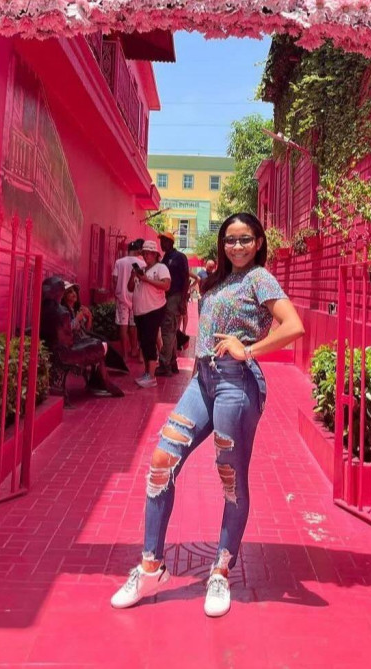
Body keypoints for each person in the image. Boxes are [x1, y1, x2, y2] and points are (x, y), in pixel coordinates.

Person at [110, 213, 305, 617]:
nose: (237, 246)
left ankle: (220, 570)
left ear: (258, 242)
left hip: (237, 384)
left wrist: (248, 349)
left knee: (230, 478)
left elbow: (293, 326)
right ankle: (150, 568)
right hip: (203, 382)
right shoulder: (217, 280)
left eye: (245, 239)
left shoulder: (259, 278)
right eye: (230, 239)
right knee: (162, 462)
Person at [39, 276, 123, 398]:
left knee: (100, 343)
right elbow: (68, 332)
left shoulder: (49, 309)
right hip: (63, 351)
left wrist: (89, 318)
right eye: (69, 292)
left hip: (58, 346)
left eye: (74, 291)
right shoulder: (63, 312)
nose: (73, 294)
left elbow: (84, 330)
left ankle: (98, 382)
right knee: (99, 346)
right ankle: (102, 383)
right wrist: (78, 319)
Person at [130, 240, 171, 389]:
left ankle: (152, 376)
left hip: (153, 310)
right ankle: (147, 372)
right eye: (144, 253)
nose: (146, 256)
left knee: (149, 341)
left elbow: (166, 285)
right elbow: (130, 288)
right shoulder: (141, 269)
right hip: (140, 312)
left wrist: (146, 279)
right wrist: (133, 276)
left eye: (149, 253)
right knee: (144, 342)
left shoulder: (161, 268)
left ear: (155, 254)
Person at [156, 232, 189, 377]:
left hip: (175, 298)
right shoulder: (165, 259)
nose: (162, 244)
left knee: (168, 331)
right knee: (172, 331)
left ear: (170, 242)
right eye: (161, 241)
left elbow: (186, 278)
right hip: (166, 298)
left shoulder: (179, 257)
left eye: (164, 241)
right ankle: (172, 362)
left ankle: (164, 364)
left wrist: (182, 300)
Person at [112, 240, 144, 360]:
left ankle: (125, 354)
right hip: (135, 298)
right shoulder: (142, 263)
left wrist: (117, 291)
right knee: (133, 325)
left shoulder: (119, 262)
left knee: (123, 326)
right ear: (137, 250)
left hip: (122, 298)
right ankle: (134, 350)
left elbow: (114, 279)